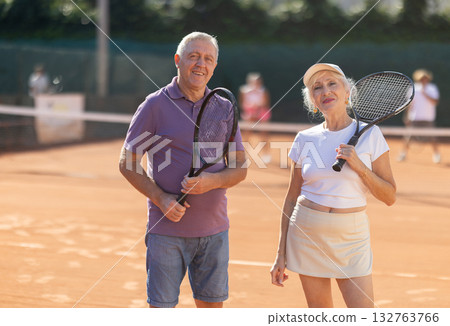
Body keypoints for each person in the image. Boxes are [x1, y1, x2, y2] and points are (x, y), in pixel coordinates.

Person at [119, 32, 247, 308]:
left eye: (208, 59)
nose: (201, 64)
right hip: (165, 233)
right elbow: (126, 162)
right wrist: (161, 198)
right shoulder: (154, 105)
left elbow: (239, 168)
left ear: (214, 67)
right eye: (194, 56)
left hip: (215, 233)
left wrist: (211, 182)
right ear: (178, 60)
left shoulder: (223, 107)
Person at [270, 63, 396, 308]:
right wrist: (280, 253)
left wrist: (359, 166)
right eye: (317, 87)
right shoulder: (304, 138)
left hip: (352, 238)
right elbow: (291, 197)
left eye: (332, 84)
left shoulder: (372, 135)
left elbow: (389, 195)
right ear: (313, 101)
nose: (325, 91)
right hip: (307, 233)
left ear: (347, 92)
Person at [398, 69, 441, 163]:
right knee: (408, 137)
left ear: (428, 79)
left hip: (428, 119)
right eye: (421, 78)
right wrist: (407, 116)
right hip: (415, 118)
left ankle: (436, 155)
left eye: (425, 78)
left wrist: (425, 94)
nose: (423, 80)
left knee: (433, 138)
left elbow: (435, 101)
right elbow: (409, 104)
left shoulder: (432, 88)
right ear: (418, 79)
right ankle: (403, 154)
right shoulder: (413, 88)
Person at [239, 72, 272, 163]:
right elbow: (242, 103)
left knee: (264, 134)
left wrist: (258, 109)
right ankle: (244, 155)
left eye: (258, 81)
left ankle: (266, 155)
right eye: (253, 81)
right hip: (249, 113)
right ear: (249, 81)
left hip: (261, 112)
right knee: (246, 134)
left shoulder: (264, 90)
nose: (256, 83)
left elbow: (266, 103)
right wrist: (250, 110)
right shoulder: (243, 90)